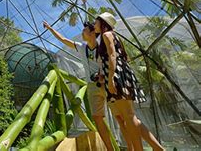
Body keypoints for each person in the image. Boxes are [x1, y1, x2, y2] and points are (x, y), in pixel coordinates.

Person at [95, 12, 164, 151]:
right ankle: (158, 148)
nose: (94, 24)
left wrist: (110, 80)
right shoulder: (116, 36)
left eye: (96, 22)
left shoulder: (107, 35)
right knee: (130, 117)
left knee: (128, 116)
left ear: (103, 23)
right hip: (122, 74)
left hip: (116, 75)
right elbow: (123, 57)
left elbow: (113, 55)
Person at [43, 21, 115, 151]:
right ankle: (110, 149)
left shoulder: (102, 47)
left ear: (93, 33)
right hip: (92, 85)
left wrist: (106, 76)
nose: (82, 32)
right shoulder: (82, 47)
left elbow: (112, 61)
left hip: (108, 83)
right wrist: (50, 28)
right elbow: (63, 39)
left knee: (118, 115)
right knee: (97, 118)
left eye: (85, 30)